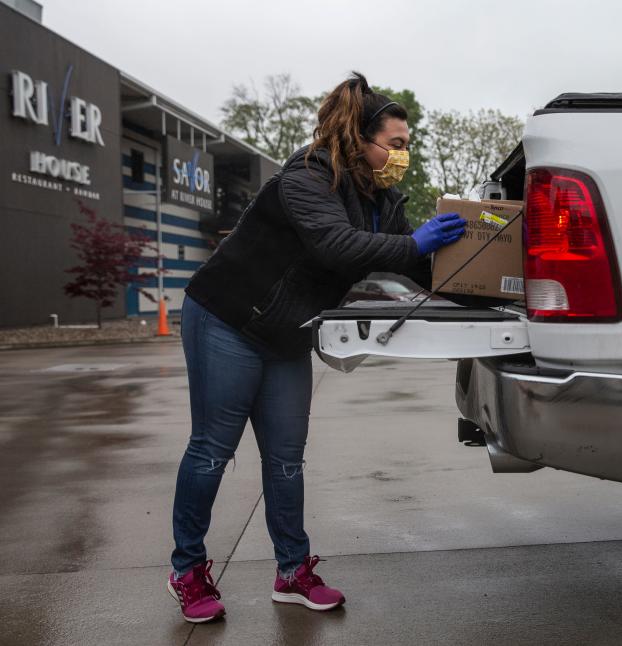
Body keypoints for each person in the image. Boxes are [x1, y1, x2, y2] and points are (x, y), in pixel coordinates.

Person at [166, 72, 466, 623]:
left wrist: (477, 265)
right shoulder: (307, 175)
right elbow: (334, 245)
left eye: (407, 145)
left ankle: (292, 572)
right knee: (213, 449)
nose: (403, 155)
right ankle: (187, 570)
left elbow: (419, 264)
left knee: (285, 460)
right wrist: (412, 242)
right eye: (395, 144)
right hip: (226, 319)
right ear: (361, 138)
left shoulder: (384, 201)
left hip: (286, 334)